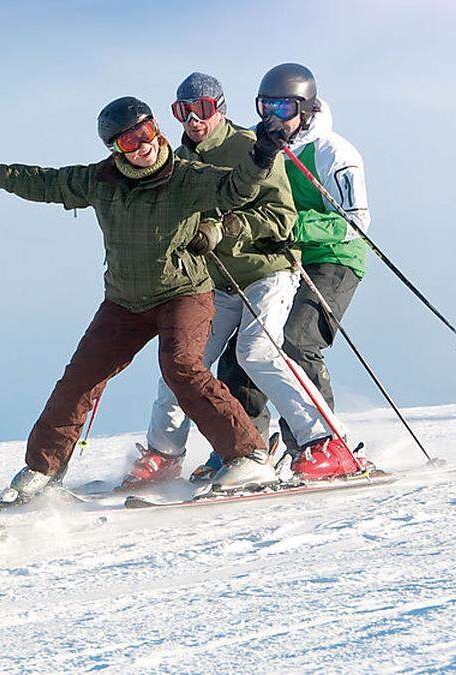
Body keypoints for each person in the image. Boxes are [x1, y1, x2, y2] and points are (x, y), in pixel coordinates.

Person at [0, 94, 292, 499]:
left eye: (145, 132)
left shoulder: (186, 177)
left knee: (181, 367)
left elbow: (233, 189)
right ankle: (42, 472)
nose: (142, 145)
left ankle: (248, 456)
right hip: (124, 303)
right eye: (128, 142)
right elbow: (46, 183)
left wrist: (262, 153)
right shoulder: (102, 181)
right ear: (116, 150)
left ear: (157, 128)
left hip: (183, 293)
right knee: (80, 378)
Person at [132, 72, 354, 488]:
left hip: (268, 269)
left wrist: (225, 229)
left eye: (203, 109)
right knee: (181, 363)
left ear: (220, 107)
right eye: (183, 111)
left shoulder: (251, 148)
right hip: (219, 280)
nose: (194, 120)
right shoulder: (177, 163)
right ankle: (165, 454)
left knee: (257, 352)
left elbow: (281, 215)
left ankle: (327, 443)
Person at [216, 63, 371, 478]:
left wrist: (294, 227)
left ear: (305, 108)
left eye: (284, 107)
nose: (273, 116)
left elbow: (356, 221)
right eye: (266, 105)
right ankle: (248, 448)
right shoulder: (260, 146)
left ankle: (324, 446)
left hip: (334, 257)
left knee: (296, 341)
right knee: (242, 349)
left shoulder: (333, 152)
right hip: (283, 260)